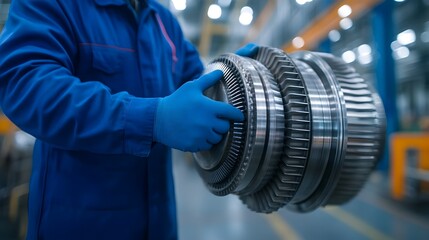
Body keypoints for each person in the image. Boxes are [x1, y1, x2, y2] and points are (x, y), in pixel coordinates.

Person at [0, 0, 258, 239]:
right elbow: (23, 81)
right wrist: (150, 119)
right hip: (79, 226)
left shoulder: (163, 22)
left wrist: (234, 77)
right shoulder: (58, 4)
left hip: (160, 223)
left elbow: (199, 82)